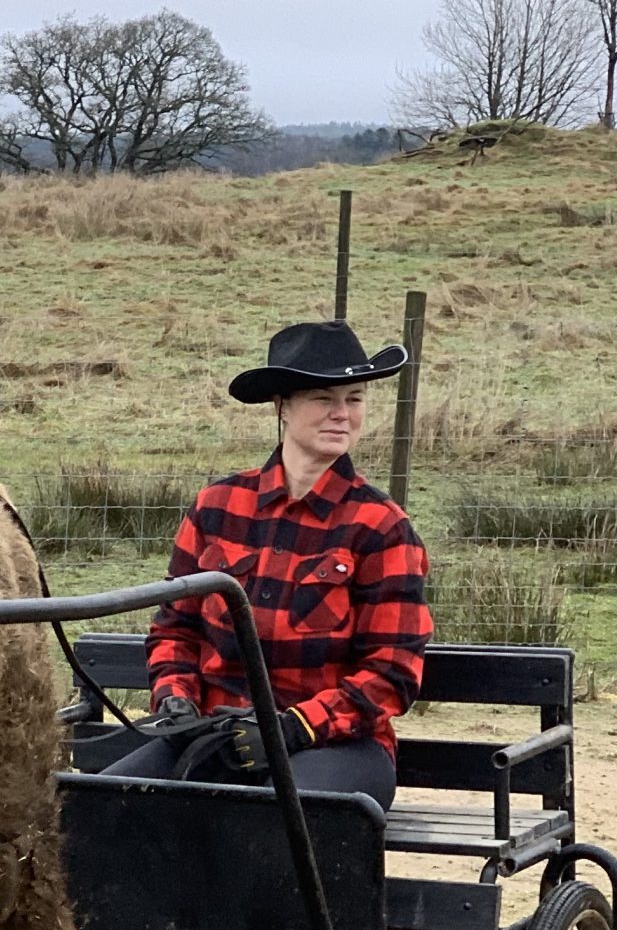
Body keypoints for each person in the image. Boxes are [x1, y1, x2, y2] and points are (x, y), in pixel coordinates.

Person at [105, 321, 431, 809]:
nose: (342, 414)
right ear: (283, 405)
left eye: (355, 399)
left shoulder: (380, 527)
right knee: (98, 807)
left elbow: (391, 673)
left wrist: (294, 729)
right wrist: (176, 699)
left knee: (270, 821)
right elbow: (176, 630)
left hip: (337, 747)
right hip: (213, 734)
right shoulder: (217, 506)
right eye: (324, 398)